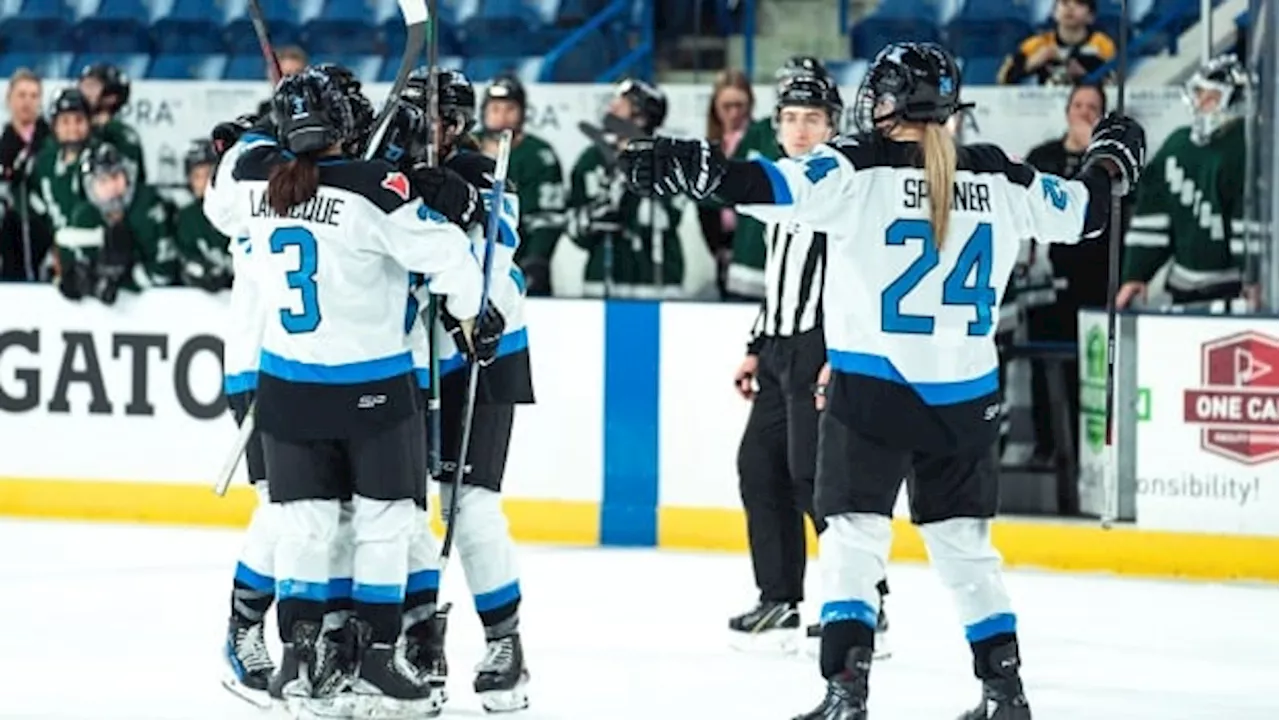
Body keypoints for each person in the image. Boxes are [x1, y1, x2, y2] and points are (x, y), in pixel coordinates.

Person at [619, 41, 1145, 719]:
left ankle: (846, 692)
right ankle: (1004, 690)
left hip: (873, 389)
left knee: (854, 542)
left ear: (887, 101)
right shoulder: (1002, 174)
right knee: (966, 551)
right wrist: (1110, 157)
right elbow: (1088, 209)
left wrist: (698, 169)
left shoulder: (856, 166)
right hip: (966, 396)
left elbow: (768, 189)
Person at [213, 67, 494, 719]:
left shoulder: (256, 177)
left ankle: (305, 659)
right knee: (376, 525)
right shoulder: (372, 189)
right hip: (363, 385)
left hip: (285, 379)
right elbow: (449, 258)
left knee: (308, 526)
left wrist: (250, 138)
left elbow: (224, 190)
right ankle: (347, 650)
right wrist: (469, 300)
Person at [726, 72, 891, 660]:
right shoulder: (780, 186)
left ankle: (865, 601)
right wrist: (757, 341)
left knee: (814, 478)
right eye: (791, 119)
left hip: (822, 349)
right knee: (758, 466)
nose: (800, 129)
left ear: (833, 127)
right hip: (778, 348)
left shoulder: (844, 187)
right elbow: (780, 280)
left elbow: (860, 280)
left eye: (813, 119)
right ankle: (779, 598)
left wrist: (836, 354)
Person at [396, 66, 535, 713]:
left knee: (468, 507)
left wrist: (462, 203)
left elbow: (501, 248)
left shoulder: (481, 171)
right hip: (410, 361)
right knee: (401, 509)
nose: (430, 130)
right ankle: (421, 637)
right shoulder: (388, 169)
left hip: (484, 351)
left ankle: (506, 646)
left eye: (441, 118)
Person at [1117, 54, 1255, 309]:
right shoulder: (1177, 144)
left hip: (1233, 291)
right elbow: (1153, 210)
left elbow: (1248, 218)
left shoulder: (1245, 148)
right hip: (1180, 287)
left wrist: (1253, 277)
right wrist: (1137, 272)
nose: (1201, 102)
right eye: (1198, 93)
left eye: (1212, 96)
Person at [1022, 83, 1110, 470]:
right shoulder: (1041, 157)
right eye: (1079, 104)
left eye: (1093, 107)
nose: (1084, 112)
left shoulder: (1108, 165)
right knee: (1042, 370)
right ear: (1066, 110)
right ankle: (1046, 446)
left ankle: (1087, 452)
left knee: (1089, 373)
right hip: (1046, 286)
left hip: (1095, 285)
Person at [566, 77, 683, 298]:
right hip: (602, 282)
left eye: (622, 102)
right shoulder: (591, 160)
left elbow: (665, 219)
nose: (612, 107)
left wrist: (628, 190)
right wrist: (592, 217)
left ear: (640, 116)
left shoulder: (669, 160)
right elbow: (574, 228)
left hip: (656, 282)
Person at [57, 143, 177, 304]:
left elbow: (164, 270)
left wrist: (125, 281)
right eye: (103, 181)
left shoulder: (148, 206)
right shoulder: (84, 215)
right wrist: (90, 282)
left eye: (116, 177)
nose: (112, 187)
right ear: (89, 187)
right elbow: (74, 269)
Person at [479, 74, 566, 297]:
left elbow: (549, 215)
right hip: (470, 265)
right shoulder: (465, 147)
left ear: (522, 113)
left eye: (510, 109)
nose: (502, 117)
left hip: (519, 264)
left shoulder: (539, 155)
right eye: (495, 109)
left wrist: (537, 259)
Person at [696, 69, 758, 299]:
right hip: (721, 242)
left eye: (739, 105)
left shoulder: (759, 140)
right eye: (726, 106)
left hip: (752, 239)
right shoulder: (711, 144)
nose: (734, 113)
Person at [0, 69, 52, 281]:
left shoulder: (51, 142)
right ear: (9, 99)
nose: (27, 102)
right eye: (21, 95)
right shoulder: (4, 143)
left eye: (33, 96)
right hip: (9, 233)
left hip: (45, 228)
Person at [998, 0, 1115, 86]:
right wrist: (1032, 63)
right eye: (1064, 3)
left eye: (1079, 3)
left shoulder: (1103, 44)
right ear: (1054, 12)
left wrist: (1085, 75)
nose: (1070, 8)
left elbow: (1114, 83)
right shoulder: (1037, 43)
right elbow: (1004, 79)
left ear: (1091, 16)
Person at [175, 138, 233, 291]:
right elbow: (185, 256)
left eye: (209, 173)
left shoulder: (237, 208)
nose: (205, 182)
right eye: (197, 176)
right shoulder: (188, 217)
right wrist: (202, 271)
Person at [77, 63, 145, 182]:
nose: (83, 92)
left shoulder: (122, 135)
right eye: (83, 85)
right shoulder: (73, 131)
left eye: (92, 86)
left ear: (111, 96)